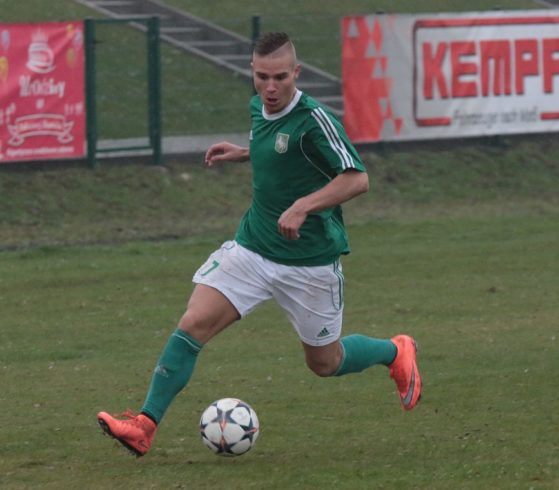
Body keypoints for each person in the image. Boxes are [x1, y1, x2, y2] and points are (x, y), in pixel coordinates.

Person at [97, 31, 421, 457]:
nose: (270, 87)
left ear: (296, 73)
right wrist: (245, 152)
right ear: (252, 71)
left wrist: (303, 206)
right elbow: (277, 146)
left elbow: (357, 179)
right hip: (252, 249)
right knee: (193, 323)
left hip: (309, 263)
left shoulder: (314, 119)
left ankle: (395, 351)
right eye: (262, 77)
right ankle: (144, 425)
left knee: (324, 363)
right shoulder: (258, 106)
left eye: (280, 78)